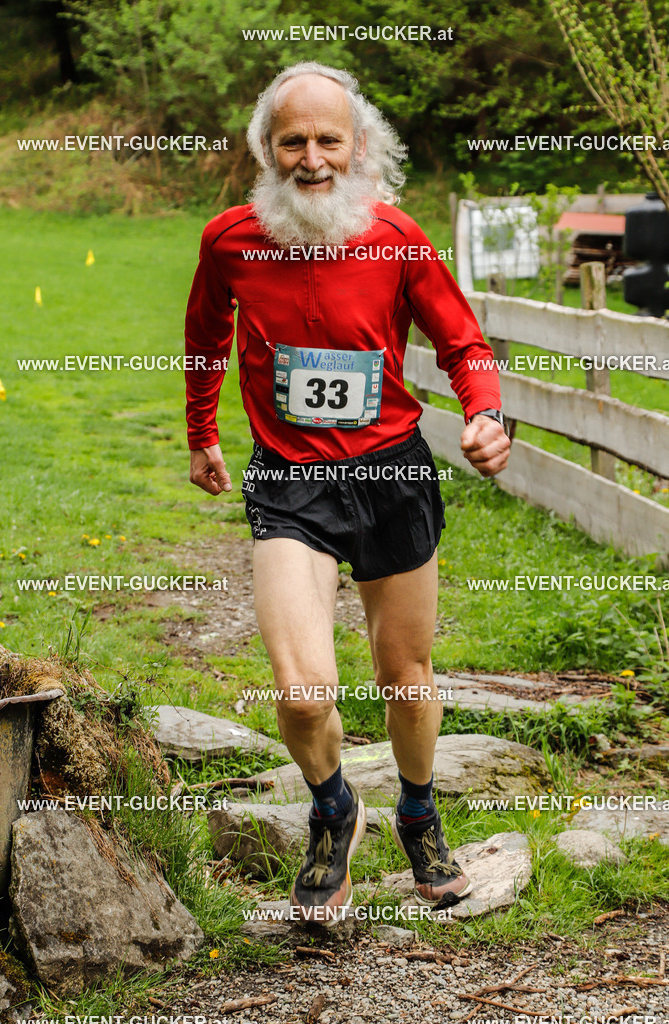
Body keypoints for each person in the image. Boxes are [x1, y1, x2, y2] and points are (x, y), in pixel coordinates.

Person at [184, 61, 510, 925]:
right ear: (267, 149)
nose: (313, 157)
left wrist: (485, 413)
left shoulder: (400, 240)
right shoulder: (230, 241)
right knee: (300, 691)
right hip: (290, 482)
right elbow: (203, 336)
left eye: (330, 139)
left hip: (392, 475)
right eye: (293, 140)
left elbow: (465, 343)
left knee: (405, 674)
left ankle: (418, 811)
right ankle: (335, 812)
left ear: (359, 147)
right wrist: (200, 431)